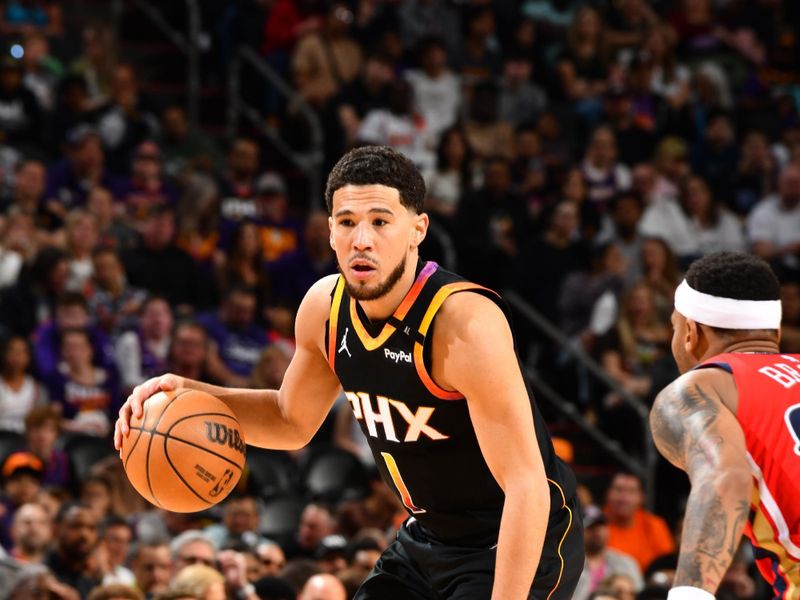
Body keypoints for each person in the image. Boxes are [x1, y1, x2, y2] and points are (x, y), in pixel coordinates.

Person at [116, 145, 582, 599]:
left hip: (518, 535)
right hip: (429, 535)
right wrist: (183, 393)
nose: (362, 239)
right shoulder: (324, 308)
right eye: (347, 223)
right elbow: (289, 419)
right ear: (331, 232)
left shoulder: (463, 324)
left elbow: (527, 485)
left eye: (380, 221)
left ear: (417, 229)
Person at [648, 251, 800, 599]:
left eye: (674, 326)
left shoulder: (702, 388)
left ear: (690, 332)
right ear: (773, 330)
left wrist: (690, 594)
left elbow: (724, 477)